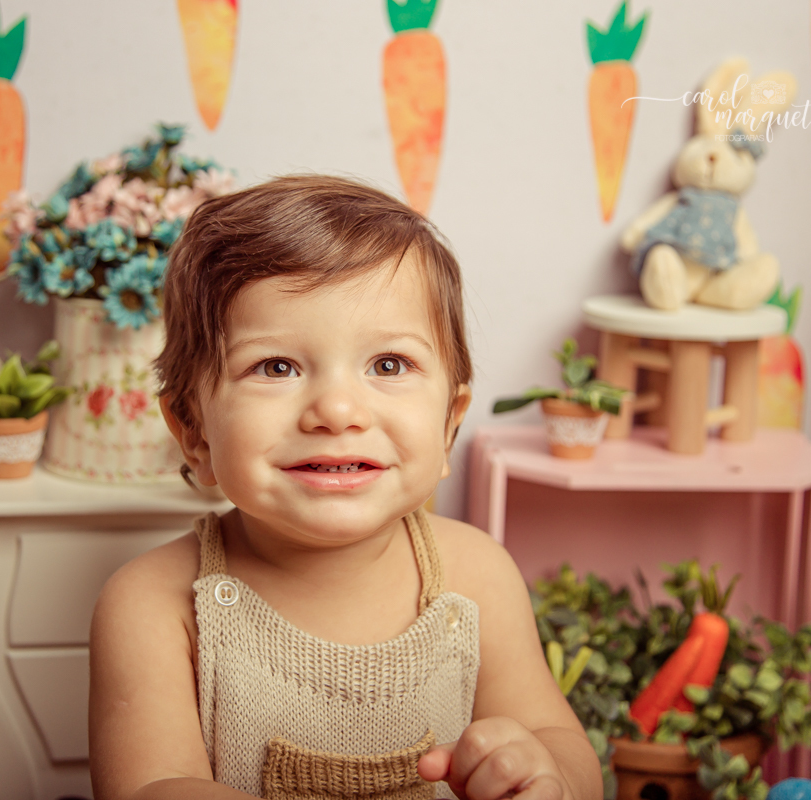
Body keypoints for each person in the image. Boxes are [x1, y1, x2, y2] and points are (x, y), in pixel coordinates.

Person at [89, 175, 601, 800]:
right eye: (276, 366)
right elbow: (152, 788)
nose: (336, 409)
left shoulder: (476, 578)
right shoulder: (156, 604)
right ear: (194, 431)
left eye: (388, 365)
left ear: (449, 424)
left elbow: (557, 737)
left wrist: (546, 774)